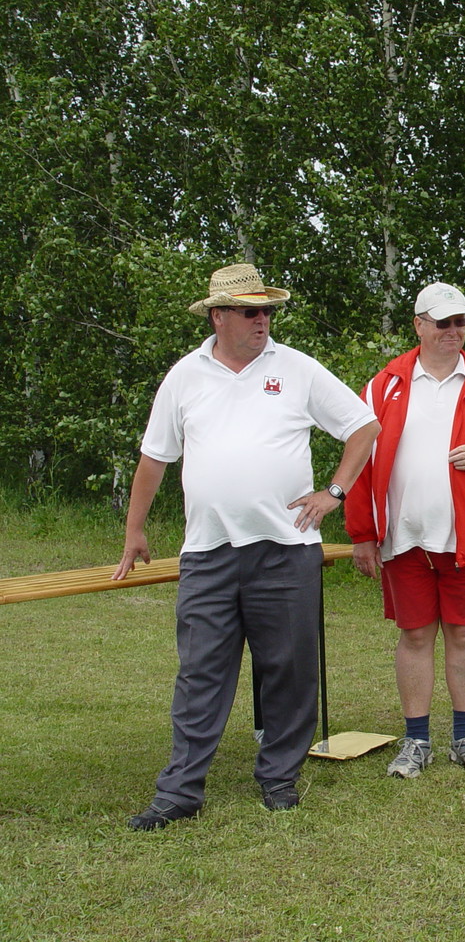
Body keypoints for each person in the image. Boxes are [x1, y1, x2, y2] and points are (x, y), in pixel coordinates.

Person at [114, 263, 380, 831]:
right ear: (218, 316)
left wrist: (334, 492)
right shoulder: (185, 375)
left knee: (288, 666)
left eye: (267, 311)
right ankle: (180, 792)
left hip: (286, 549)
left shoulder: (298, 368)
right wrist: (135, 531)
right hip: (208, 552)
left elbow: (363, 426)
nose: (262, 320)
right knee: (201, 671)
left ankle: (279, 777)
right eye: (249, 311)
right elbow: (154, 457)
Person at [345, 282, 465, 778]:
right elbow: (359, 461)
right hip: (403, 537)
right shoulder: (384, 385)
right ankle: (415, 742)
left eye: (461, 322)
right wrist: (363, 533)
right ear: (419, 325)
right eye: (443, 322)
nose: (454, 331)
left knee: (464, 632)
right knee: (413, 636)